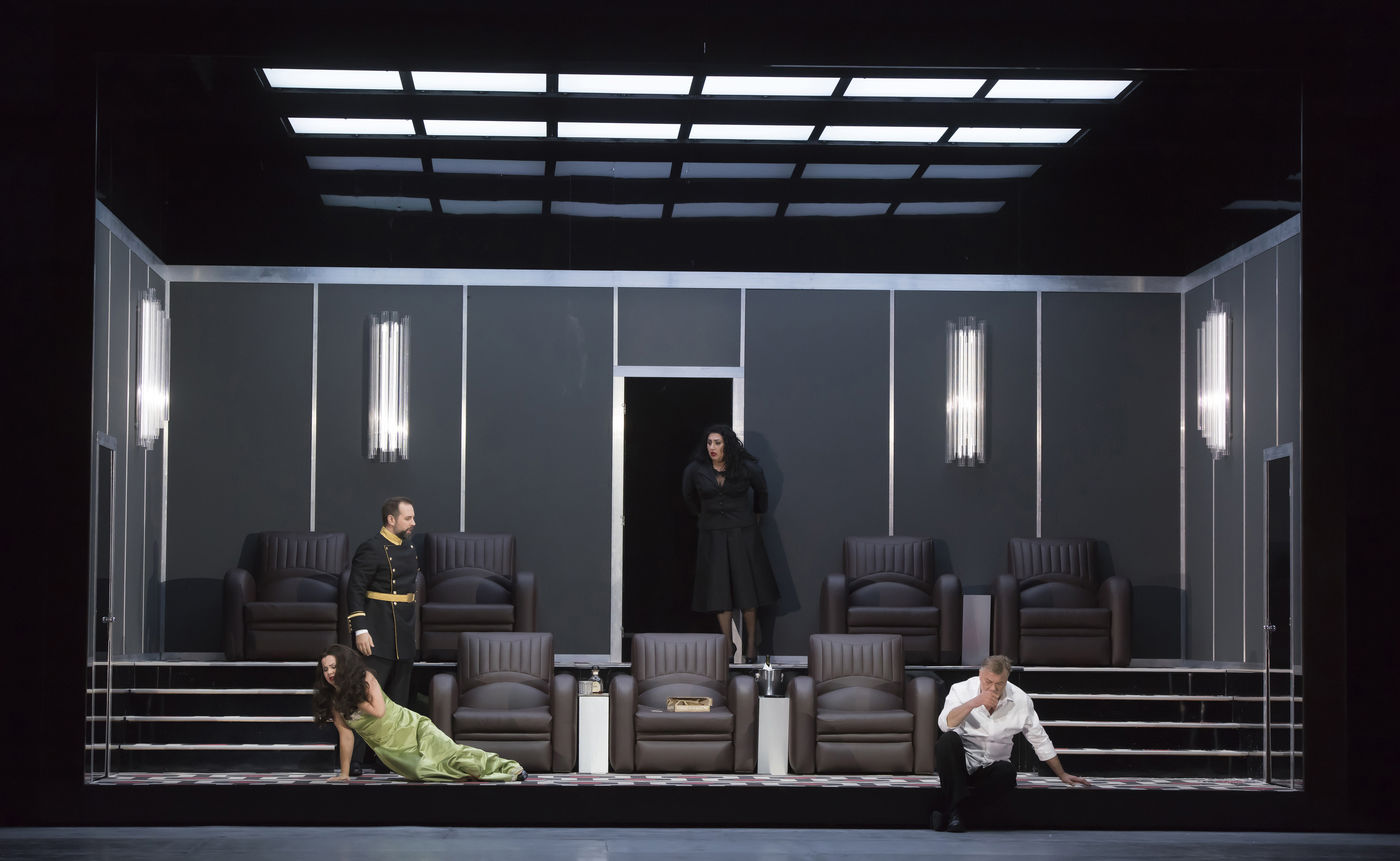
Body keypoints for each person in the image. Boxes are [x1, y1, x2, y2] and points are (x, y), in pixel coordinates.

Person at [314, 644, 526, 782]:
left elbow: (379, 712)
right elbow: (346, 735)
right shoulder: (335, 700)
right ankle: (474, 774)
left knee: (451, 755)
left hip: (412, 729)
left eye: (333, 666)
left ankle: (509, 768)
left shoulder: (365, 679)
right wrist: (344, 773)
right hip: (392, 750)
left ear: (344, 666)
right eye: (325, 669)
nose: (330, 673)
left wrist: (355, 699)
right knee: (425, 771)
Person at [931, 654, 1090, 832]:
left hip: (991, 770)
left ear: (1007, 679)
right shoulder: (961, 690)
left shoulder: (1021, 699)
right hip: (961, 766)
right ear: (980, 674)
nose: (993, 688)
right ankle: (956, 814)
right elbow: (945, 724)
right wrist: (973, 703)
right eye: (988, 682)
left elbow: (1039, 739)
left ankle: (954, 812)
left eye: (999, 684)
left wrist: (1061, 774)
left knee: (1007, 772)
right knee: (947, 740)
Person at [681, 424, 779, 663]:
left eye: (717, 443)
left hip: (742, 533)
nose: (712, 447)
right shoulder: (696, 469)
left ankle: (752, 645)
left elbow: (762, 492)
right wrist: (704, 516)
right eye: (709, 443)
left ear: (727, 444)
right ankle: (727, 645)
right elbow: (688, 496)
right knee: (719, 590)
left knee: (748, 589)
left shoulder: (745, 467)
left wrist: (757, 515)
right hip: (713, 535)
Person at [344, 496, 420, 775]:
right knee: (365, 699)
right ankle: (354, 759)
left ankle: (387, 759)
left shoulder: (409, 547)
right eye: (408, 518)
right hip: (377, 631)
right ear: (391, 519)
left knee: (397, 703)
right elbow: (355, 589)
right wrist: (360, 629)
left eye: (413, 517)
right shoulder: (372, 548)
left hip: (404, 631)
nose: (413, 523)